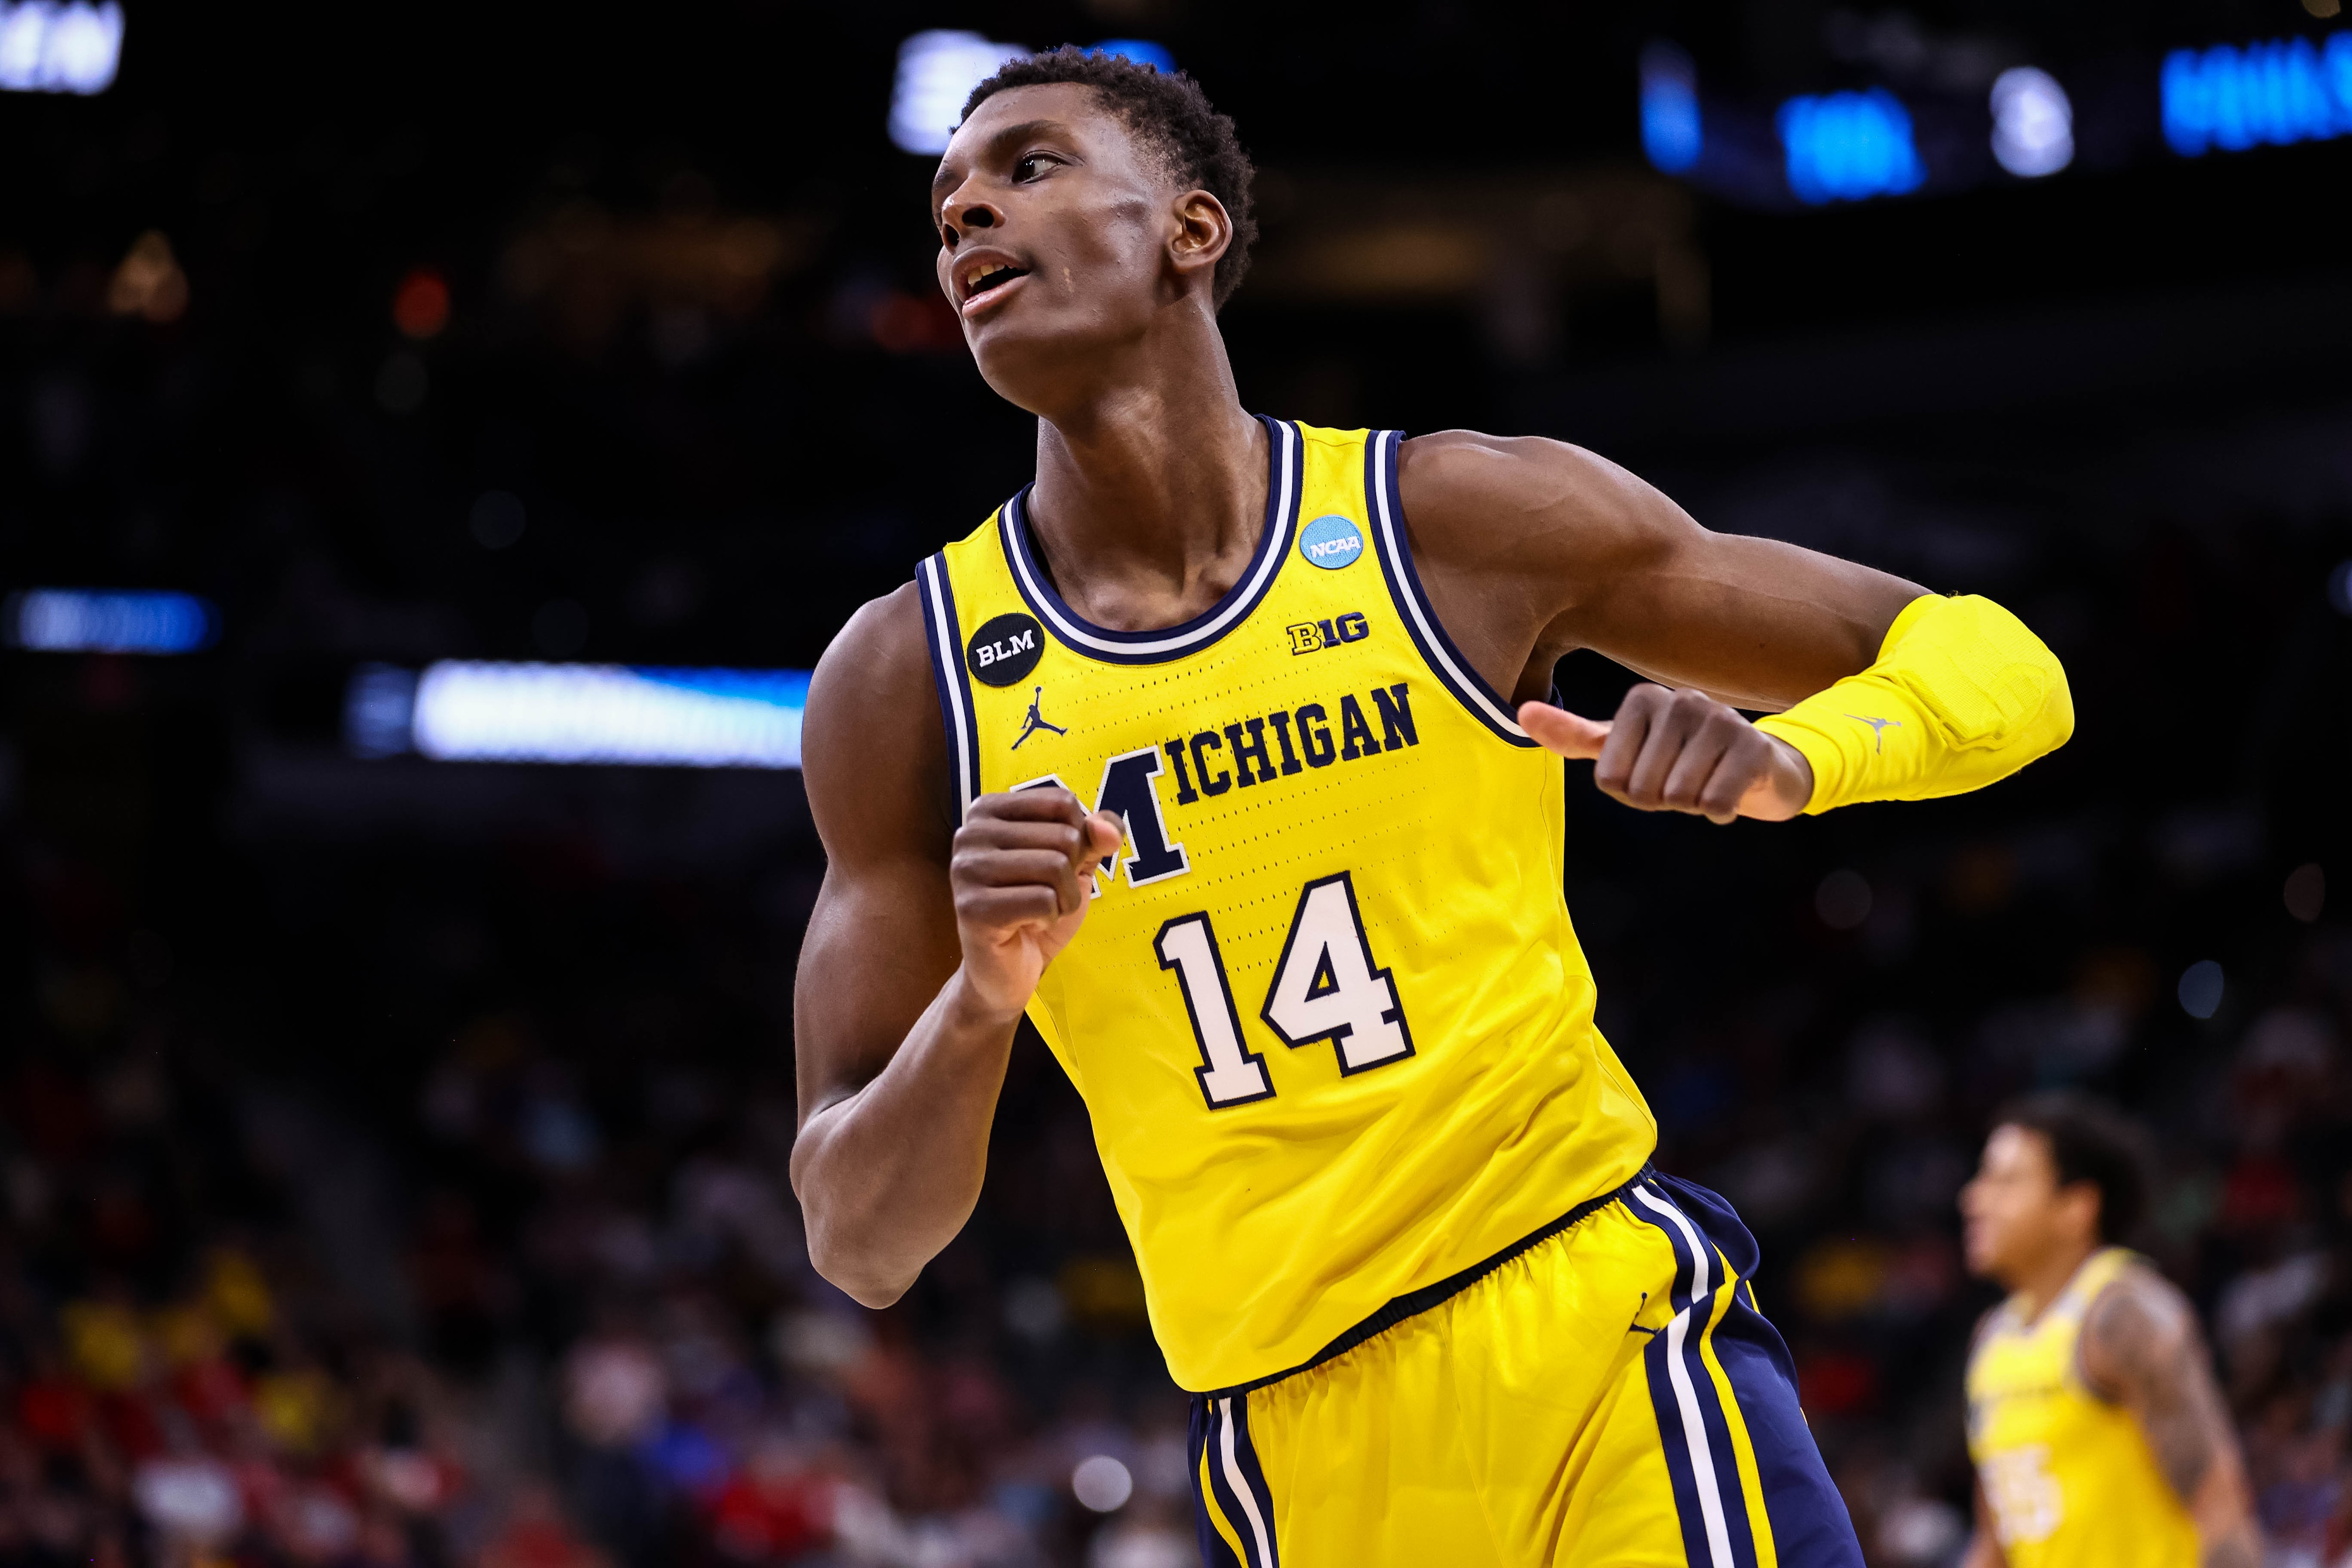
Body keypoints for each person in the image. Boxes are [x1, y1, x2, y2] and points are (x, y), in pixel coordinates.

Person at [791, 47, 2074, 1566]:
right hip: (1295, 1441)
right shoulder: (907, 677)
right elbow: (859, 1238)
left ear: (1190, 231)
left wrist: (1801, 759)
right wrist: (983, 1003)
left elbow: (2006, 664)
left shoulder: (1448, 524)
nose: (967, 217)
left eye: (1028, 166)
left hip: (1591, 1322)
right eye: (947, 208)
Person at [1958, 1093, 2262, 1568]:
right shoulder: (1990, 1342)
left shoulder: (2122, 1316)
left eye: (2007, 1182)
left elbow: (2218, 1509)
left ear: (2076, 1207)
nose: (1974, 1198)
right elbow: (1994, 1544)